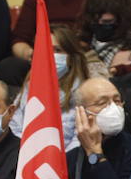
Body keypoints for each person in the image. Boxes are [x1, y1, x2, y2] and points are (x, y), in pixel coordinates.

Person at [8, 24, 103, 155]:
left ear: (71, 55)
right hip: (28, 160)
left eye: (57, 50)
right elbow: (15, 126)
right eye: (46, 49)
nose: (51, 55)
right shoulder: (29, 86)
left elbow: (81, 137)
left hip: (66, 162)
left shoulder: (85, 90)